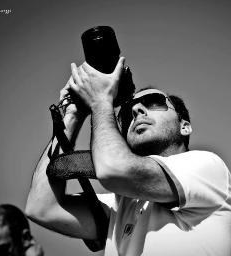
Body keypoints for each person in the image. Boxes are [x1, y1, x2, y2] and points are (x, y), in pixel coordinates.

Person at [25, 57, 231, 256]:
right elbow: (41, 208)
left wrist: (100, 101)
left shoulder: (207, 167)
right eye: (125, 114)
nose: (136, 110)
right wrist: (73, 114)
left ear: (184, 127)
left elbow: (113, 170)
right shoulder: (122, 204)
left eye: (153, 102)